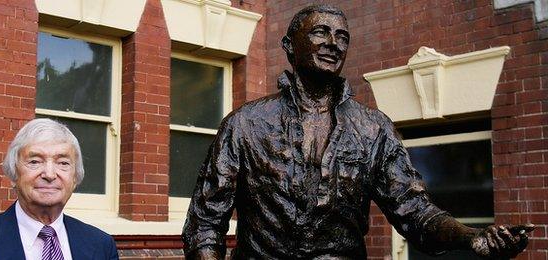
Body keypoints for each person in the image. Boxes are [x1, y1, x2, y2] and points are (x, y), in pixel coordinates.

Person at [182, 4, 534, 259]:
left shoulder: (372, 129)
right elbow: (205, 223)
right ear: (289, 46)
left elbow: (414, 211)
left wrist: (471, 238)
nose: (333, 43)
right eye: (320, 32)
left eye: (342, 37)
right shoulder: (244, 124)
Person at [0, 118, 119, 260]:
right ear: (13, 173)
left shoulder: (101, 246)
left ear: (75, 177)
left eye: (63, 163)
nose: (49, 174)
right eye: (35, 161)